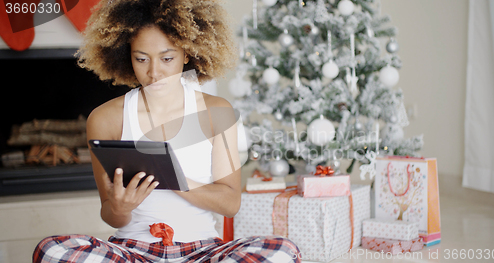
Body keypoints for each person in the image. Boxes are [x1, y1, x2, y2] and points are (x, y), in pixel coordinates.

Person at [33, 0, 301, 262]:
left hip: (202, 251)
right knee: (52, 250)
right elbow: (109, 214)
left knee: (282, 251)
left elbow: (231, 203)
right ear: (127, 56)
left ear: (186, 54)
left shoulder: (217, 112)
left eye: (167, 58)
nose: (154, 72)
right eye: (141, 59)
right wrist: (120, 207)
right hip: (132, 251)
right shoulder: (105, 119)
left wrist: (175, 178)